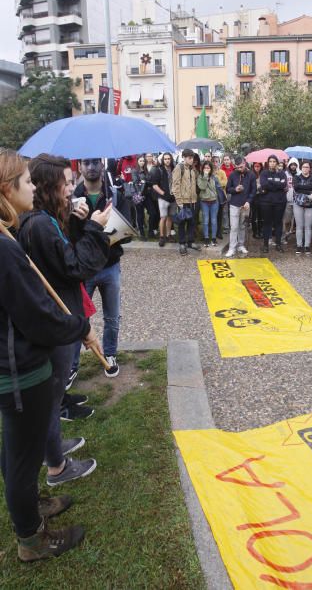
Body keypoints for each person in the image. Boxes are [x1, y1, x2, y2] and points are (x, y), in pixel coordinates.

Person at [0, 148, 99, 561]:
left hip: (16, 365)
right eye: (25, 182)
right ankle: (32, 540)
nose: (32, 188)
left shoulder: (10, 234)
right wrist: (80, 328)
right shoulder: (5, 247)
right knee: (22, 459)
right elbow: (37, 315)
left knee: (15, 451)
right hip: (18, 370)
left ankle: (32, 509)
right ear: (7, 190)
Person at [18, 154, 110, 485]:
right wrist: (97, 229)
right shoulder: (39, 223)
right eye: (66, 184)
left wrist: (76, 222)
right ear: (47, 187)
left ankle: (52, 447)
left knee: (53, 393)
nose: (71, 189)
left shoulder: (46, 219)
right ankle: (56, 465)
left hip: (60, 315)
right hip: (57, 319)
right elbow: (73, 266)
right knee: (53, 394)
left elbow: (61, 256)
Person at [70, 158, 132, 380]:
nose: (91, 167)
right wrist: (88, 223)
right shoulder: (72, 198)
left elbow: (127, 235)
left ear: (102, 165)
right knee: (78, 316)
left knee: (112, 317)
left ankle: (110, 354)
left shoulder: (115, 196)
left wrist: (105, 229)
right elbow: (72, 238)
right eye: (87, 163)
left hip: (110, 266)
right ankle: (72, 364)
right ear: (80, 167)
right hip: (84, 269)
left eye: (96, 162)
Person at [225, 156, 256, 257]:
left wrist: (249, 201)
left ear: (245, 163)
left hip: (245, 205)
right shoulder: (233, 174)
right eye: (237, 167)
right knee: (234, 227)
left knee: (242, 226)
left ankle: (241, 245)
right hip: (234, 204)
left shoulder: (251, 175)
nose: (239, 169)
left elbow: (253, 191)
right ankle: (232, 248)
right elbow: (228, 189)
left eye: (241, 167)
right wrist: (235, 190)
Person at [172, 148, 200, 255]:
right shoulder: (179, 168)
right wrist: (179, 201)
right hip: (183, 201)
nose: (191, 160)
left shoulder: (192, 170)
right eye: (189, 158)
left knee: (191, 222)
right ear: (184, 157)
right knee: (182, 223)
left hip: (192, 201)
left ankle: (190, 242)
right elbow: (175, 186)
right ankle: (182, 243)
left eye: (192, 158)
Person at [259, 155, 287, 253]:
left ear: (277, 163)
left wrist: (271, 183)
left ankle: (278, 244)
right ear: (268, 163)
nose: (272, 163)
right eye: (270, 161)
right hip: (267, 202)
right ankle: (266, 245)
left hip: (280, 202)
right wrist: (277, 184)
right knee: (267, 223)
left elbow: (284, 184)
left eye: (274, 161)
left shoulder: (282, 173)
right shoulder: (264, 173)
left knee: (278, 223)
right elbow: (264, 185)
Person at [293, 160, 312, 253]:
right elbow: (296, 187)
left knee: (308, 226)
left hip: (311, 205)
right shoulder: (296, 177)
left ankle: (307, 245)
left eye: (307, 167)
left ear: (310, 168)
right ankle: (299, 246)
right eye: (304, 167)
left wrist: (302, 188)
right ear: (301, 168)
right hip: (298, 204)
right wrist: (309, 191)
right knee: (299, 226)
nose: (305, 169)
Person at [151, 152, 176, 246]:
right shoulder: (159, 170)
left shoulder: (174, 169)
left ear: (171, 159)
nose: (167, 160)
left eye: (169, 158)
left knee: (170, 217)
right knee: (163, 217)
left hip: (173, 198)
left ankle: (169, 235)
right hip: (163, 198)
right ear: (163, 160)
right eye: (165, 159)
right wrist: (164, 194)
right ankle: (162, 236)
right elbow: (154, 185)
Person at [197, 161, 219, 247]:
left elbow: (217, 188)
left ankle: (213, 238)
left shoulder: (214, 177)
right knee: (205, 220)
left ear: (211, 169)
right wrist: (205, 177)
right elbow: (202, 187)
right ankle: (206, 238)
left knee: (214, 220)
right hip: (204, 202)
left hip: (214, 201)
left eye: (208, 168)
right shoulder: (200, 177)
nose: (206, 169)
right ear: (202, 169)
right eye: (205, 168)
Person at [132, 155, 151, 240]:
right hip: (138, 195)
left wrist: (145, 182)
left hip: (147, 195)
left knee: (153, 212)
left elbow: (149, 181)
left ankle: (151, 230)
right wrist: (140, 191)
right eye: (140, 161)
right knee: (140, 215)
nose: (142, 162)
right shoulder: (135, 170)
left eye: (143, 161)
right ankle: (141, 233)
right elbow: (136, 183)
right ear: (137, 161)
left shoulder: (146, 170)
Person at [283, 158, 298, 241]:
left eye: (294, 165)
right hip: (288, 199)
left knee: (294, 220)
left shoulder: (299, 174)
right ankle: (285, 233)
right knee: (287, 219)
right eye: (291, 165)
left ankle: (290, 232)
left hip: (296, 200)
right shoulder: (285, 174)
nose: (293, 166)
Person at [213, 154, 227, 239]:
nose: (215, 163)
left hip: (221, 197)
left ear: (219, 162)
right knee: (213, 215)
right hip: (213, 197)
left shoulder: (222, 172)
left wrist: (216, 183)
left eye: (216, 161)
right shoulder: (210, 172)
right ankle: (213, 231)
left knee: (220, 215)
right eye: (213, 161)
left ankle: (219, 232)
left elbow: (224, 183)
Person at [250, 161, 264, 239]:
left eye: (258, 166)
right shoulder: (251, 175)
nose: (257, 168)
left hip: (261, 196)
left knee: (261, 215)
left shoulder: (263, 174)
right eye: (255, 166)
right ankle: (255, 231)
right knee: (254, 215)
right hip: (254, 196)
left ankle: (260, 230)